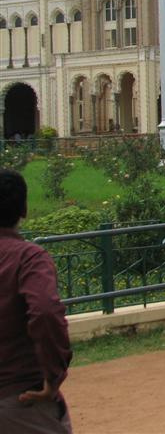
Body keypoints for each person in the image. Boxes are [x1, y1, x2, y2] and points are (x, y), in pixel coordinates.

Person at [0, 169, 73, 433]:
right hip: (18, 399)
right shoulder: (28, 258)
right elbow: (44, 312)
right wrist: (53, 376)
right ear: (24, 209)